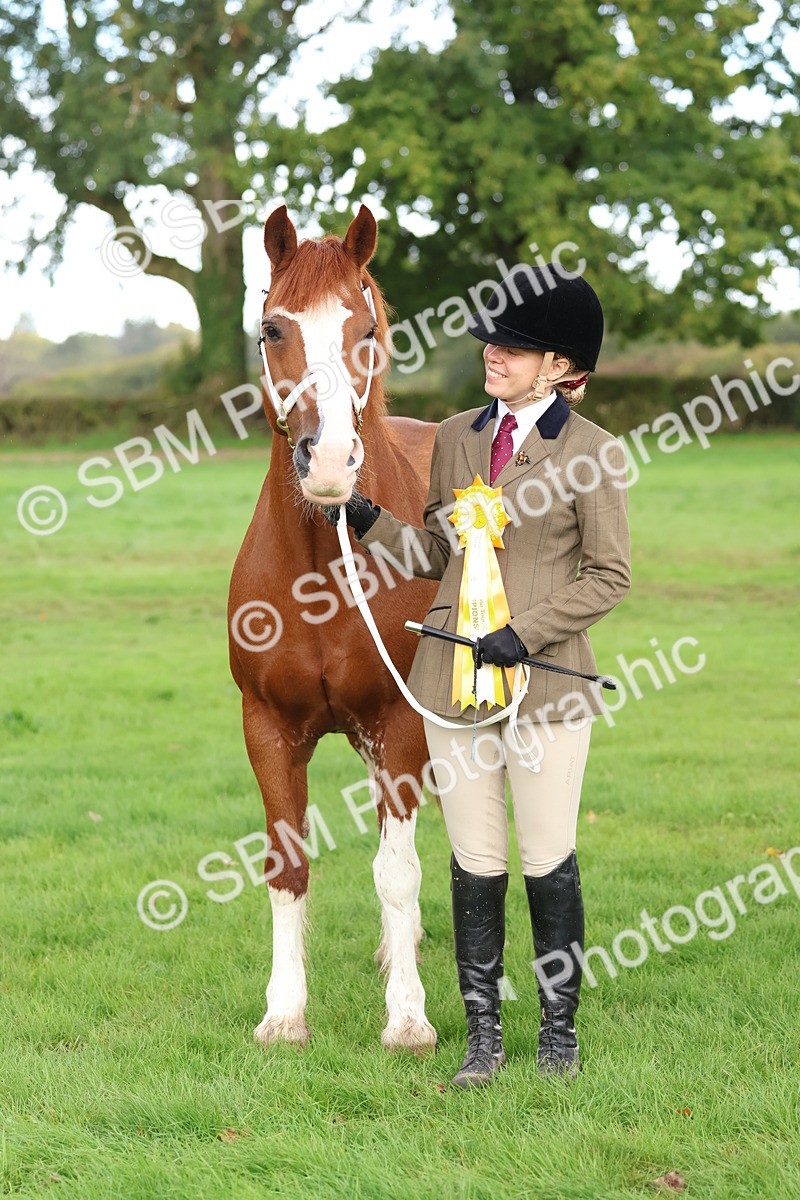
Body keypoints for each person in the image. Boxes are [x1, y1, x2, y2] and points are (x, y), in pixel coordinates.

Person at [332, 264, 631, 1088]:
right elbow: (438, 553)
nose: (494, 353)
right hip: (451, 684)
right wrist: (365, 519)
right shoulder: (461, 437)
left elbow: (609, 575)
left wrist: (521, 631)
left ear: (563, 366)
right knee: (475, 858)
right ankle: (482, 1038)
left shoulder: (593, 454)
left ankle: (559, 1037)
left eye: (518, 345)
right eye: (495, 340)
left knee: (546, 857)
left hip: (545, 683)